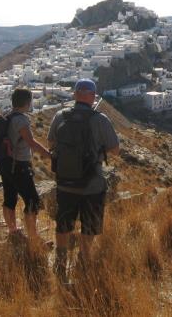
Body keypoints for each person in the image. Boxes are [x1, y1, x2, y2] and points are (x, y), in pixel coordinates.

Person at [47, 79, 119, 283]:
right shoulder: (100, 119)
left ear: (75, 95)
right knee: (89, 227)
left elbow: (51, 143)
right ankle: (83, 262)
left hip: (65, 183)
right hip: (92, 185)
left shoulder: (60, 116)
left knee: (63, 224)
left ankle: (60, 263)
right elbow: (115, 149)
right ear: (93, 96)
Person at [0, 88, 51, 239]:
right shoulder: (21, 119)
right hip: (19, 164)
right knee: (32, 200)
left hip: (4, 161)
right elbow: (31, 142)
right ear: (28, 103)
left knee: (9, 197)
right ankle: (33, 238)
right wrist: (48, 154)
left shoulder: (6, 114)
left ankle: (13, 231)